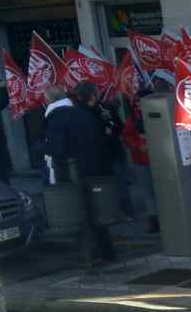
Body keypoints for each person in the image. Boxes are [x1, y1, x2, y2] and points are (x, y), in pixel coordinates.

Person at [44, 84, 116, 265]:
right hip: (93, 169)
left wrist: (59, 178)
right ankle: (107, 253)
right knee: (97, 213)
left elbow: (57, 150)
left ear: (48, 100)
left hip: (74, 173)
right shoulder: (81, 113)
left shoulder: (55, 119)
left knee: (79, 215)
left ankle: (90, 256)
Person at [122, 109, 158, 234]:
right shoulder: (133, 119)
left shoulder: (133, 118)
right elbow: (126, 136)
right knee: (149, 191)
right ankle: (155, 220)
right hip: (144, 160)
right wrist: (136, 146)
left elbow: (127, 136)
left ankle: (155, 220)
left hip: (147, 159)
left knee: (149, 191)